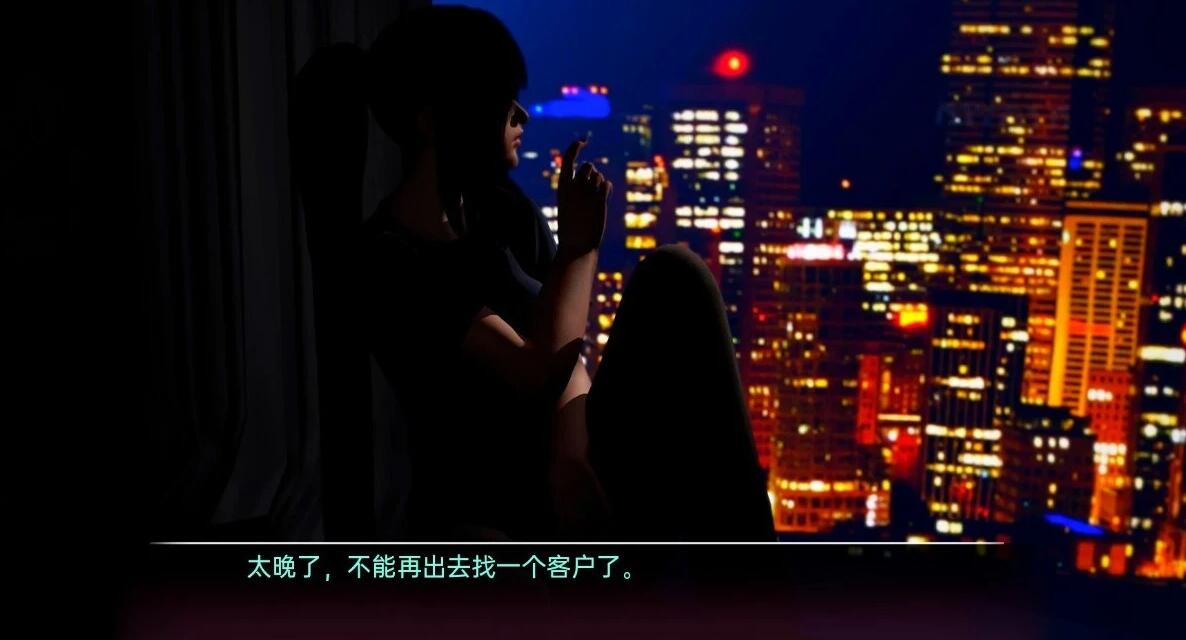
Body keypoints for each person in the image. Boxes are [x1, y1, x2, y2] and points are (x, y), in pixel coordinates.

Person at [355, 5, 774, 541]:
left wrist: (570, 457)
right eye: (499, 100)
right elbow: (534, 373)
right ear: (431, 120)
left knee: (676, 276)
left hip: (568, 454)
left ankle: (751, 568)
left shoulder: (502, 211)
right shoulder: (393, 260)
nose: (520, 117)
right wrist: (579, 248)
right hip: (495, 490)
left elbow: (570, 355)